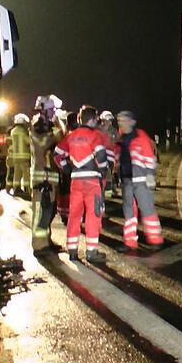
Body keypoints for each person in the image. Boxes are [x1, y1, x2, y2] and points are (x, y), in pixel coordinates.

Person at [54, 106, 110, 264]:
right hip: (92, 182)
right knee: (93, 215)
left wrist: (66, 168)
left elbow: (57, 154)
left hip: (76, 181)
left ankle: (72, 250)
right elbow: (101, 159)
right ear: (92, 120)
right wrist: (103, 169)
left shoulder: (71, 136)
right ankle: (91, 252)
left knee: (74, 215)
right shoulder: (94, 136)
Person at [116, 111, 162, 251]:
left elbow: (149, 157)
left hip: (141, 180)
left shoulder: (140, 136)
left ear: (132, 122)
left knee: (147, 210)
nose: (121, 123)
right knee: (128, 213)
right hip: (127, 180)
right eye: (119, 121)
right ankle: (129, 243)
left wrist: (150, 175)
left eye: (123, 120)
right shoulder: (121, 138)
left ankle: (156, 240)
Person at [29, 96, 64, 252]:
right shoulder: (38, 126)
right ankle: (39, 244)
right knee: (40, 211)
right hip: (42, 177)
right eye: (51, 110)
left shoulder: (47, 125)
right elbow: (43, 145)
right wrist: (56, 133)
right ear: (43, 109)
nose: (53, 112)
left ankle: (46, 241)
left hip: (50, 176)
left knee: (48, 211)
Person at [7, 113, 32, 197]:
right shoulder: (23, 131)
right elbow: (28, 141)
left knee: (17, 174)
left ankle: (16, 189)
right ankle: (27, 190)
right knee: (26, 174)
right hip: (24, 156)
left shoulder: (13, 131)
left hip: (15, 156)